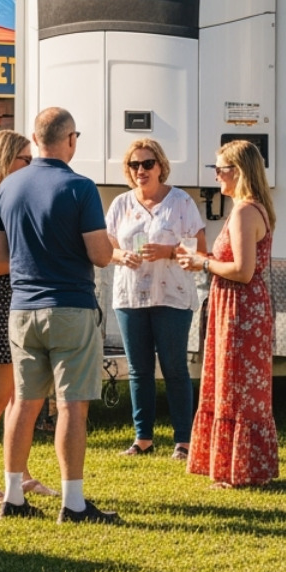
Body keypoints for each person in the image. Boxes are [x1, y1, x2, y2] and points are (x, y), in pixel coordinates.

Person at [0, 108, 119, 523]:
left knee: (23, 405)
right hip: (70, 306)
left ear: (34, 138)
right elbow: (101, 255)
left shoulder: (7, 187)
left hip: (22, 307)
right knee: (72, 407)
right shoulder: (80, 187)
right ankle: (74, 503)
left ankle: (12, 497)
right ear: (69, 140)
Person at [176, 139, 280, 488]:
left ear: (238, 172)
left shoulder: (245, 212)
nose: (216, 175)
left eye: (220, 168)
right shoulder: (252, 208)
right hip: (239, 305)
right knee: (236, 384)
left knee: (236, 385)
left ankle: (240, 469)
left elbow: (243, 270)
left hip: (241, 308)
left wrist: (202, 262)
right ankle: (240, 466)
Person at [0, 130, 53, 507]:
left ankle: (20, 474)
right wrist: (31, 259)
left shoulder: (7, 197)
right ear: (5, 161)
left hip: (18, 302)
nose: (30, 166)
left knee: (24, 394)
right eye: (24, 159)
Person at [106, 139, 206, 459]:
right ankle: (143, 439)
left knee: (174, 367)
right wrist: (122, 255)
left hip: (172, 295)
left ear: (161, 166)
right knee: (139, 369)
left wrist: (169, 252)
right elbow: (105, 248)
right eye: (134, 165)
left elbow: (200, 252)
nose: (141, 170)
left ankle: (183, 441)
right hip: (131, 296)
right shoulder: (121, 203)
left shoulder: (181, 202)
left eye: (147, 164)